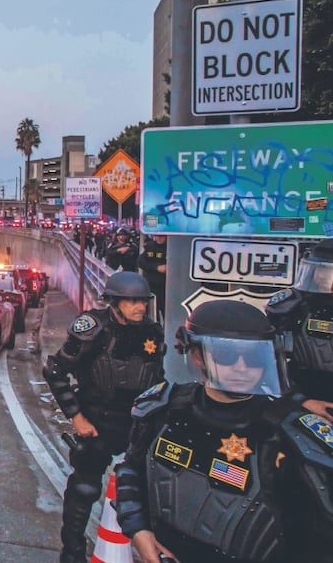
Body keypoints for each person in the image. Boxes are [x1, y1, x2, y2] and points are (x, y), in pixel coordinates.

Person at [116, 300, 333, 563]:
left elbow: (320, 537)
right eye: (228, 355)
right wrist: (137, 529)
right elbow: (130, 470)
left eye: (252, 357)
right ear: (198, 355)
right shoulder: (162, 409)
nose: (241, 367)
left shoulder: (290, 436)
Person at [42, 270, 165, 563]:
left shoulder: (152, 331)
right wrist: (76, 417)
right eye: (131, 301)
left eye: (142, 301)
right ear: (114, 302)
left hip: (137, 424)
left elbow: (157, 378)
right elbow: (56, 370)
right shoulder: (93, 328)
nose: (139, 307)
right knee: (84, 490)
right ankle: (72, 553)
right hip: (97, 422)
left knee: (144, 492)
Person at [266, 238, 333, 415]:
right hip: (301, 402)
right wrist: (300, 400)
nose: (324, 277)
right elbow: (266, 362)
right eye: (322, 271)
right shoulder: (289, 309)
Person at [137, 233, 167, 320]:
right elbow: (140, 262)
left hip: (166, 287)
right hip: (151, 285)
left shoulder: (171, 247)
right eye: (157, 236)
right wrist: (156, 267)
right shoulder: (150, 246)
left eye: (161, 236)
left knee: (166, 313)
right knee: (152, 313)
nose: (159, 238)